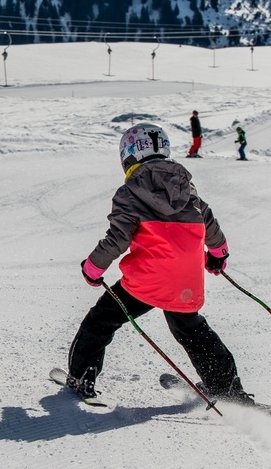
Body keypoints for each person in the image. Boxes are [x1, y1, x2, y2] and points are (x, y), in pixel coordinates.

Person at [65, 121, 255, 406]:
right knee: (192, 330)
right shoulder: (187, 190)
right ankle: (226, 387)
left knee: (101, 320)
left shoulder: (129, 194)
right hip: (184, 282)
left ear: (128, 157)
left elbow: (117, 238)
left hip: (144, 282)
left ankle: (81, 376)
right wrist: (218, 254)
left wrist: (94, 267)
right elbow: (210, 224)